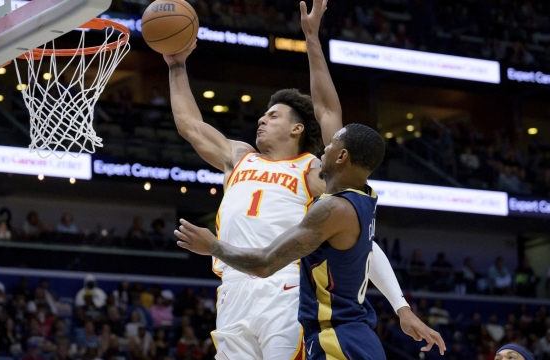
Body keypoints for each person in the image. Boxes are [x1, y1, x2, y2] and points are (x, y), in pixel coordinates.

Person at [163, 0, 417, 358]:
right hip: (232, 289)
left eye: (273, 115)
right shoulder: (238, 157)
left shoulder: (314, 169)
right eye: (262, 116)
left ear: (297, 128)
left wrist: (312, 40)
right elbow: (190, 126)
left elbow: (363, 242)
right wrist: (176, 66)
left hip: (284, 286)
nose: (261, 121)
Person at [175, 121, 446, 358]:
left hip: (322, 322)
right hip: (251, 296)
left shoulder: (330, 203)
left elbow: (266, 262)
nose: (323, 151)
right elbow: (189, 125)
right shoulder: (358, 202)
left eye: (274, 114)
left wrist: (212, 246)